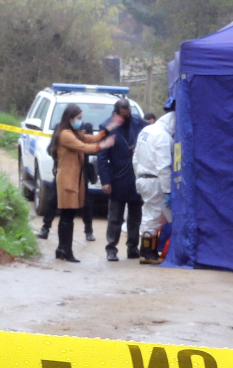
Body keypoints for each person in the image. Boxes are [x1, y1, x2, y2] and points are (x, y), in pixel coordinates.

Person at [49, 104, 118, 262]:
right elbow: (85, 147)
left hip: (73, 179)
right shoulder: (65, 134)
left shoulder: (73, 132)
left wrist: (108, 128)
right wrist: (104, 146)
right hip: (67, 180)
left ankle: (62, 249)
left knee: (69, 216)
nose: (80, 121)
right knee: (67, 216)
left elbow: (91, 138)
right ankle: (65, 250)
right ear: (70, 118)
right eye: (78, 119)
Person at [98, 99, 147, 261]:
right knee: (115, 218)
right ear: (116, 114)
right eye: (124, 115)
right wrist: (105, 181)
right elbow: (102, 158)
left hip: (136, 179)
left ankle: (133, 247)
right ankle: (111, 248)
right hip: (117, 179)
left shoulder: (139, 124)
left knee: (135, 217)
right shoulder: (107, 127)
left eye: (129, 114)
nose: (128, 118)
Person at [133, 98, 175, 264]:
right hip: (155, 181)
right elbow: (164, 166)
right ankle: (148, 253)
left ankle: (146, 251)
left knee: (148, 215)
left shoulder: (147, 130)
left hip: (143, 178)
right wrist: (168, 191)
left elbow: (135, 157)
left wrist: (137, 177)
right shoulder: (163, 137)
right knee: (155, 218)